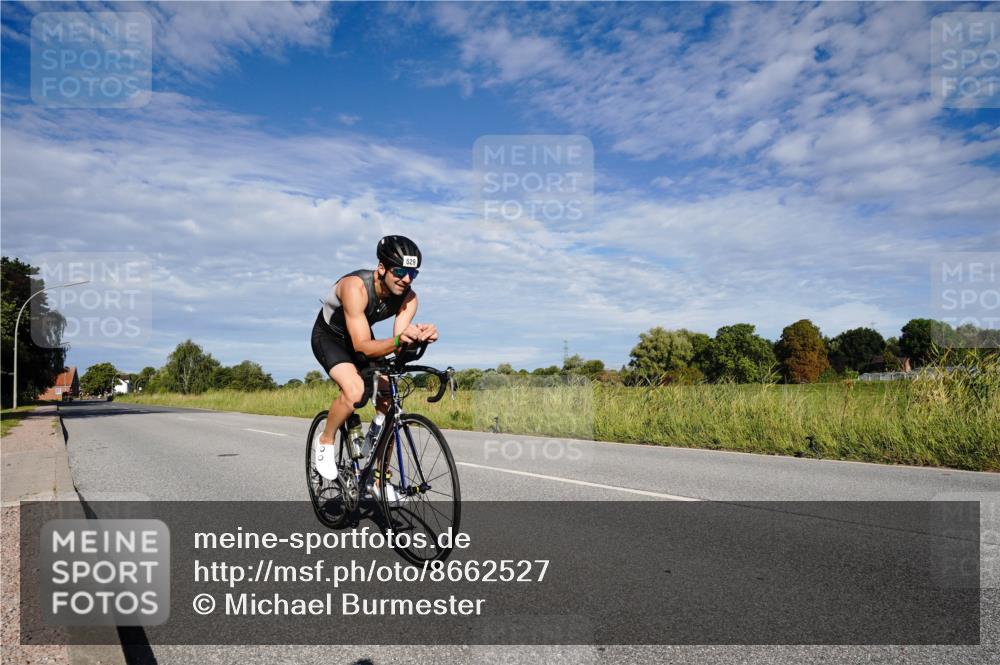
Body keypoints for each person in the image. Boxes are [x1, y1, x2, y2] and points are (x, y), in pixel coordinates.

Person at [310, 235, 438, 499]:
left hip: (363, 338)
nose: (406, 279)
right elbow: (361, 347)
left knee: (389, 397)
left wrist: (417, 338)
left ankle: (379, 478)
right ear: (382, 268)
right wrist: (398, 340)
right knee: (355, 392)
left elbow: (398, 344)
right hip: (331, 338)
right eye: (400, 271)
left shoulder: (409, 298)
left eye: (413, 273)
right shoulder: (354, 287)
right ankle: (325, 440)